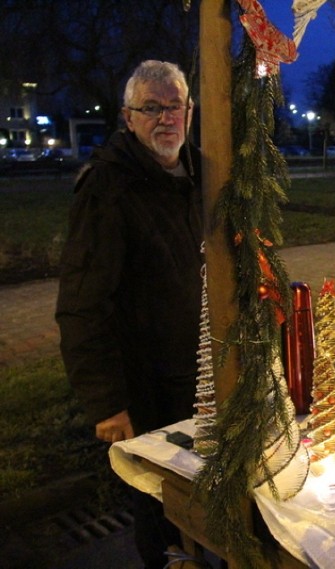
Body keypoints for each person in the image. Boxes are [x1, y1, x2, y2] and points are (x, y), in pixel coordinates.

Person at [55, 60, 203, 569]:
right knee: (160, 506)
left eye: (174, 107)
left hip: (200, 376)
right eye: (151, 108)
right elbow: (81, 304)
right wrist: (106, 402)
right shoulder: (108, 188)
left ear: (190, 110)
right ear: (128, 118)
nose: (166, 118)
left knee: (207, 499)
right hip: (145, 387)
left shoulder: (203, 171)